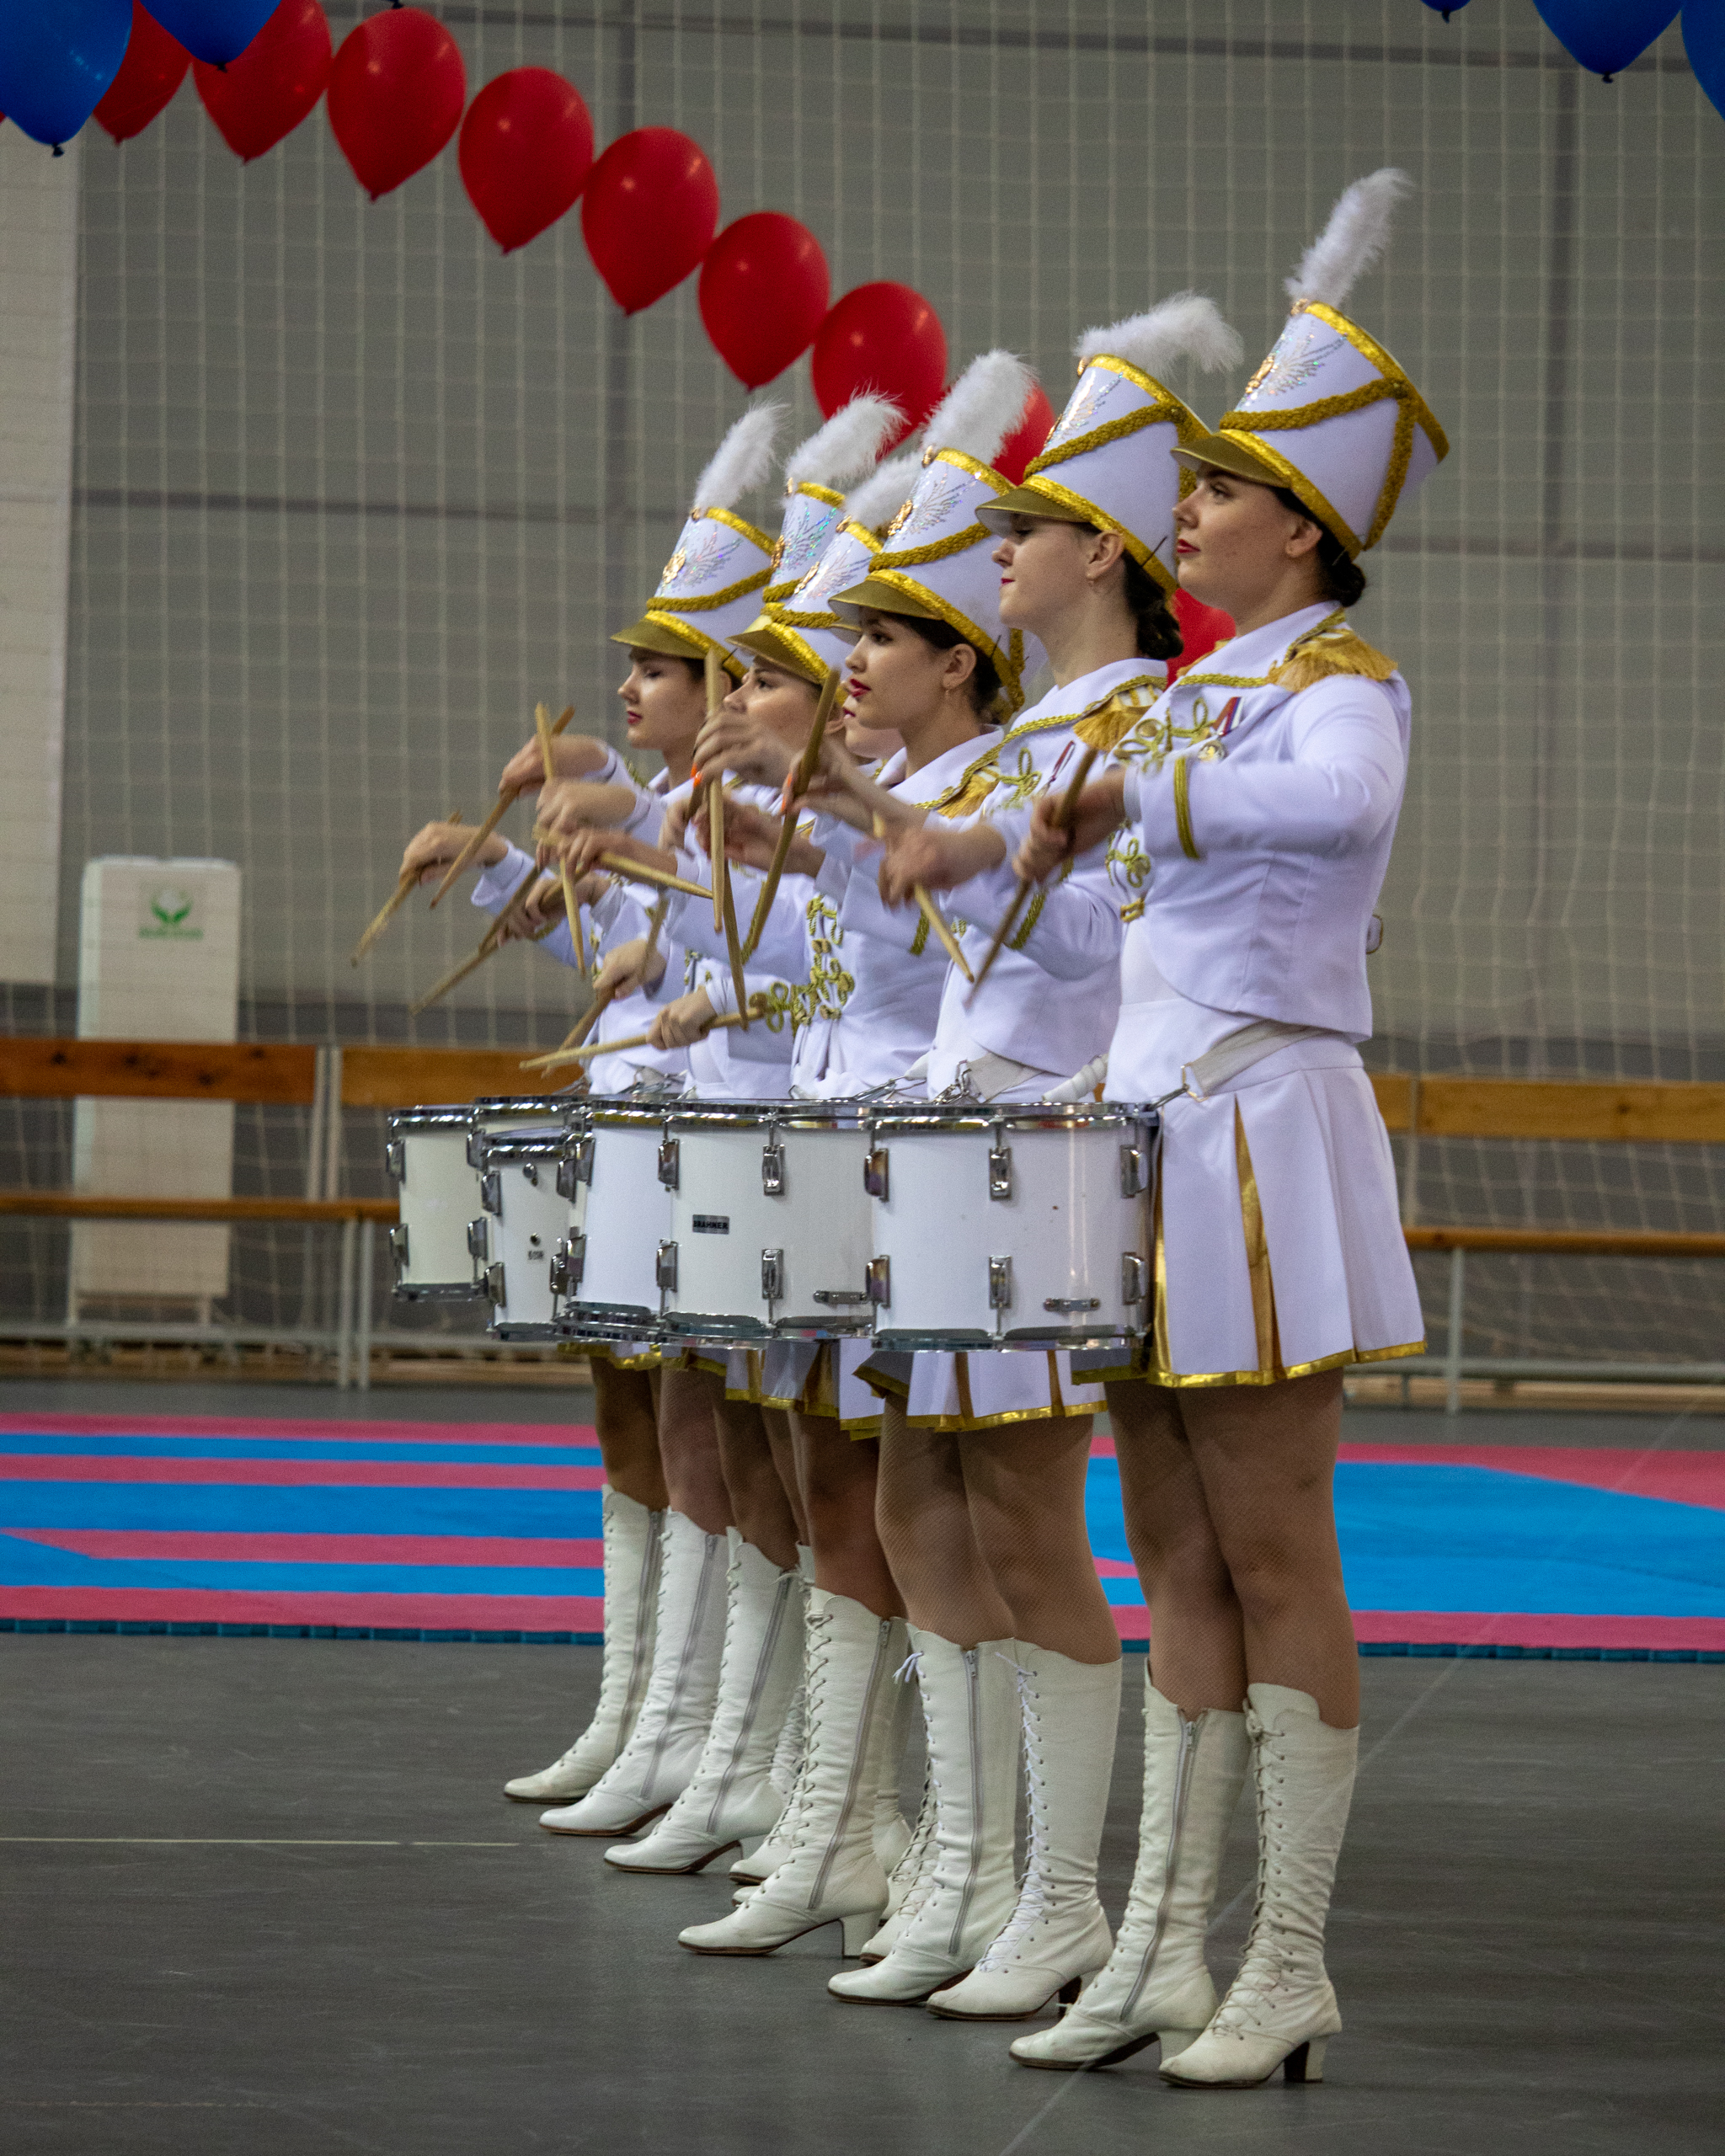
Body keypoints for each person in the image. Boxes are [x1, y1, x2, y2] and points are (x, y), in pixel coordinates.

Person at [915, 174, 1447, 2088]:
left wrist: (1149, 805)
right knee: (1170, 1548)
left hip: (1262, 1131)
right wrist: (974, 841)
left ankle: (1285, 1960)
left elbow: (1341, 810)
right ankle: (1156, 1942)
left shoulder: (1337, 684)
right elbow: (1054, 847)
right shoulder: (1189, 698)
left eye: (1217, 490)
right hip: (1143, 1136)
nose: (1187, 512)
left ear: (1297, 527)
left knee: (1274, 1547)